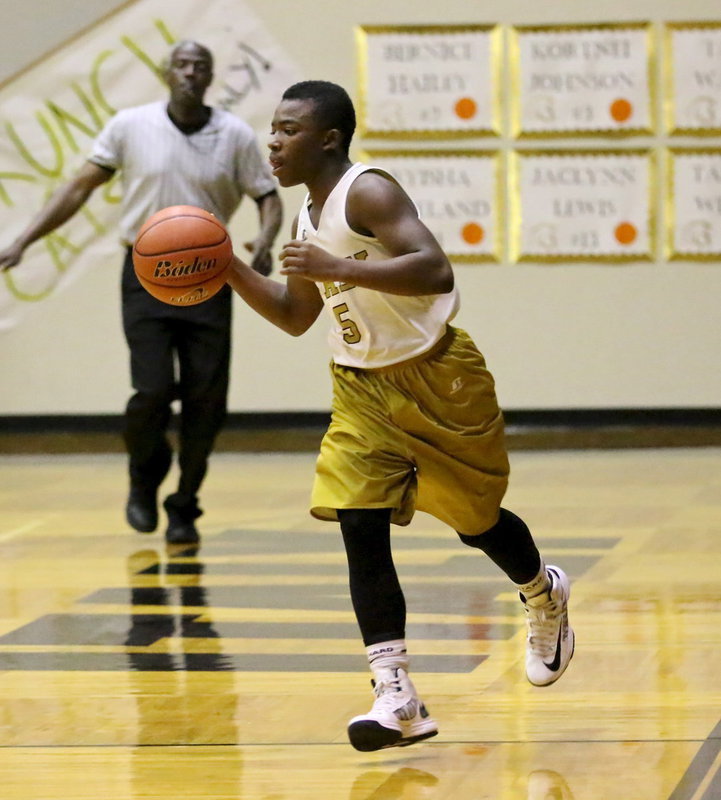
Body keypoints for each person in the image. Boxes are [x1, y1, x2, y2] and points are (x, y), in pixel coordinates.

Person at [225, 80, 574, 752]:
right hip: (358, 388)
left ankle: (542, 591)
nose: (272, 141)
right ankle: (397, 695)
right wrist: (229, 269)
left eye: (287, 129)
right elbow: (299, 316)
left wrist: (338, 267)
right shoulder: (305, 215)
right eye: (271, 129)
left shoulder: (368, 191)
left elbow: (435, 270)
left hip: (438, 378)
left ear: (327, 138)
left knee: (476, 522)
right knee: (358, 523)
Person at [0, 41, 282, 546]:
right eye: (182, 64)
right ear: (166, 72)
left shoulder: (235, 134)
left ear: (211, 76)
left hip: (207, 276)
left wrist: (264, 242)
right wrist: (23, 241)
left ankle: (184, 504)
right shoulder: (130, 125)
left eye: (201, 66)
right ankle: (143, 473)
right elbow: (80, 186)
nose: (191, 72)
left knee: (206, 399)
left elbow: (268, 196)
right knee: (151, 391)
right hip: (146, 273)